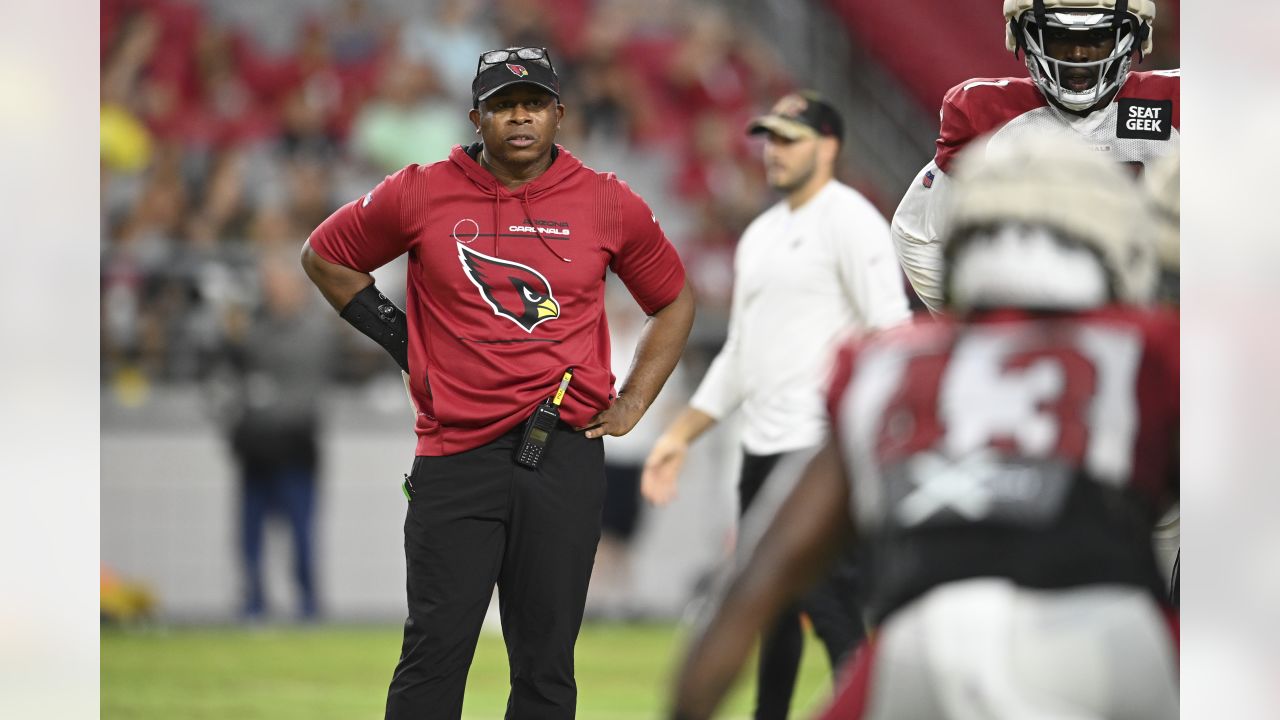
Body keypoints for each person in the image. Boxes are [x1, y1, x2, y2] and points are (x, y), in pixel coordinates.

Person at [668, 134, 1180, 719]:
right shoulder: (1149, 351)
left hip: (920, 646)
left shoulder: (886, 364)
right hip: (1106, 638)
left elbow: (759, 577)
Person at [300, 46, 695, 719]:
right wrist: (408, 344)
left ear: (559, 114)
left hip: (565, 452)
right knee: (434, 652)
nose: (520, 117)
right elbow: (325, 257)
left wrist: (633, 402)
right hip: (456, 455)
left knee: (546, 664)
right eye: (503, 105)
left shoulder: (605, 200)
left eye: (534, 103)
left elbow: (675, 301)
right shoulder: (421, 188)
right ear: (475, 115)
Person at [642, 91, 911, 719]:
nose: (774, 151)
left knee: (832, 604)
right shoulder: (761, 235)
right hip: (762, 447)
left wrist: (876, 435)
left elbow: (891, 330)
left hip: (819, 449)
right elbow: (740, 352)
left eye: (790, 138)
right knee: (772, 611)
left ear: (829, 146)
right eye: (770, 138)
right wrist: (680, 434)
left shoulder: (851, 220)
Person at [891, 0, 1179, 313]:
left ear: (1135, 36)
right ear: (1023, 37)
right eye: (1058, 37)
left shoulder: (1181, 105)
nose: (1078, 55)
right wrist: (974, 318)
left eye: (1097, 38)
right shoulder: (987, 114)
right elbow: (915, 234)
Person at [221, 250, 337, 621]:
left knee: (301, 531)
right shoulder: (254, 327)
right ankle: (253, 601)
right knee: (249, 532)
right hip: (257, 445)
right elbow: (232, 374)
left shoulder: (312, 331)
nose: (273, 292)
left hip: (294, 444)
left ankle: (307, 604)